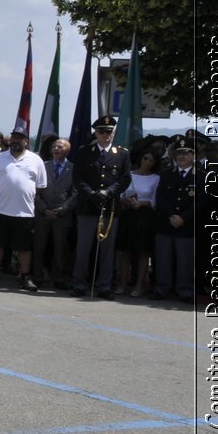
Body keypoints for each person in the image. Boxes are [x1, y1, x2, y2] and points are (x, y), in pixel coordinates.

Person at [70, 115, 131, 299]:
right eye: (102, 131)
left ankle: (104, 286)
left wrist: (108, 193)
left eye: (109, 131)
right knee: (83, 248)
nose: (106, 135)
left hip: (110, 206)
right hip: (88, 206)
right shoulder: (83, 151)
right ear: (95, 133)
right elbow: (77, 178)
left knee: (107, 249)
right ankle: (79, 284)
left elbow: (125, 179)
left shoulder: (122, 154)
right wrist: (92, 194)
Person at [0, 128, 45, 290]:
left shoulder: (36, 160)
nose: (16, 140)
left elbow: (40, 187)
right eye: (14, 137)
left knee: (24, 247)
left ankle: (24, 276)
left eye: (20, 138)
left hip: (25, 211)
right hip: (1, 210)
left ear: (26, 141)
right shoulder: (0, 159)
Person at [153, 138, 199, 302]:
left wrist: (182, 218)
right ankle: (162, 288)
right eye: (179, 153)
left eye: (186, 153)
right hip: (166, 223)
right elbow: (160, 198)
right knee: (163, 259)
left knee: (185, 261)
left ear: (194, 156)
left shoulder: (201, 176)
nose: (182, 156)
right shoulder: (166, 174)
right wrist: (171, 216)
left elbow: (200, 202)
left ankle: (185, 290)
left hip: (187, 225)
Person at [117, 146, 161, 297]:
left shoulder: (156, 178)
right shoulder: (129, 175)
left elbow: (155, 200)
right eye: (145, 159)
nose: (147, 162)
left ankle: (139, 286)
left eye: (151, 161)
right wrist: (126, 201)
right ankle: (122, 283)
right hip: (128, 214)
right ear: (141, 158)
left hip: (145, 216)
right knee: (125, 251)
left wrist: (142, 203)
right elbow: (120, 193)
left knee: (143, 252)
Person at [32, 137, 74, 289]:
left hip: (62, 215)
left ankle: (58, 278)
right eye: (55, 146)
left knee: (60, 249)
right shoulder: (43, 166)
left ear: (68, 150)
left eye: (60, 147)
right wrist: (44, 209)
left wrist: (62, 209)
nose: (57, 149)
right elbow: (35, 191)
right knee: (39, 247)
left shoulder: (73, 168)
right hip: (42, 213)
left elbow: (75, 194)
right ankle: (37, 276)